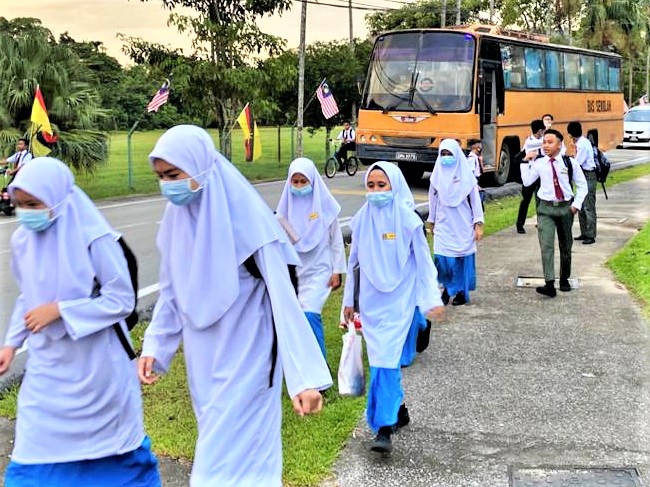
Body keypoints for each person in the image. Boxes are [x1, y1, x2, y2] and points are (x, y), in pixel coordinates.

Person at [138, 125, 332, 487]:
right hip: (205, 362)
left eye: (174, 175)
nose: (167, 185)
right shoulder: (178, 222)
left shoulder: (251, 224)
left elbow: (284, 302)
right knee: (235, 463)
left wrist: (304, 380)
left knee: (219, 466)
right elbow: (172, 291)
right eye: (161, 177)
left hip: (250, 358)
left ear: (201, 168)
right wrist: (156, 347)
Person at [0, 157, 161, 487]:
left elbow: (121, 299)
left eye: (33, 204)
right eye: (20, 205)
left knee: (110, 453)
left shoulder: (95, 237)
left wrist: (61, 310)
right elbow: (28, 296)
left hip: (96, 368)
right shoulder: (23, 241)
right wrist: (11, 344)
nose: (26, 213)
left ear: (58, 198)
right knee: (33, 453)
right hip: (48, 369)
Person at [342, 161, 445, 454]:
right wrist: (349, 302)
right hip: (372, 304)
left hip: (399, 301)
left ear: (394, 186)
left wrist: (430, 300)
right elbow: (354, 263)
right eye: (371, 186)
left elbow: (424, 263)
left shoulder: (409, 221)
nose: (376, 192)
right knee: (380, 361)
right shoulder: (361, 220)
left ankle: (383, 427)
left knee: (385, 361)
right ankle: (399, 411)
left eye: (381, 185)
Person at [276, 157, 346, 359]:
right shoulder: (283, 211)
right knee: (296, 319)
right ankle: (302, 363)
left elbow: (336, 241)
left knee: (310, 314)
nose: (299, 186)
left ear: (313, 181)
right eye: (295, 182)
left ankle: (319, 365)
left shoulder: (326, 208)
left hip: (320, 271)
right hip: (295, 273)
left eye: (303, 181)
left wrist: (337, 271)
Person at [520, 129, 588, 298]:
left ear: (559, 144)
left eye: (550, 142)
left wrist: (575, 206)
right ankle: (549, 283)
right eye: (544, 142)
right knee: (546, 245)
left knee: (566, 246)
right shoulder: (539, 163)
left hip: (565, 208)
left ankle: (564, 278)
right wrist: (525, 161)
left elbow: (582, 185)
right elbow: (527, 182)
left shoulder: (570, 163)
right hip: (545, 209)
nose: (545, 145)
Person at [428, 139, 485, 306]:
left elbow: (475, 201)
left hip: (462, 223)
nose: (446, 157)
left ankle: (460, 292)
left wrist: (478, 224)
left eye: (449, 154)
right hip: (443, 223)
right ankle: (446, 289)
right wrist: (432, 220)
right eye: (443, 154)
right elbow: (432, 200)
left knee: (461, 258)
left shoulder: (467, 177)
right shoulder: (436, 176)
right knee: (443, 258)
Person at [567, 121, 597, 245]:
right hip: (582, 175)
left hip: (588, 175)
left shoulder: (583, 144)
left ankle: (591, 234)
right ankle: (584, 232)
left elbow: (577, 162)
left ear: (571, 134)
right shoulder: (580, 143)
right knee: (581, 205)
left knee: (588, 206)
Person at [516, 119, 546, 233]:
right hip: (529, 173)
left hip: (541, 173)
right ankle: (520, 224)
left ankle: (541, 221)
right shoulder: (529, 142)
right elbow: (542, 143)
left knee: (542, 199)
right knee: (526, 200)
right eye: (543, 130)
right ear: (540, 131)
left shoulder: (542, 140)